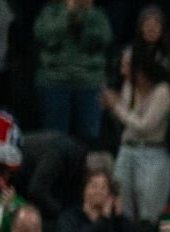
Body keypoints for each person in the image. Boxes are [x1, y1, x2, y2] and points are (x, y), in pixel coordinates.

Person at [106, 42, 170, 220]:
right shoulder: (128, 86)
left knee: (150, 215)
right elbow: (127, 121)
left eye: (126, 66)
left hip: (152, 153)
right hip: (127, 150)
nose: (122, 71)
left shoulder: (162, 91)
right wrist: (113, 107)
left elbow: (145, 126)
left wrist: (117, 107)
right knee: (122, 211)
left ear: (140, 67)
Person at [34, 0, 115, 141]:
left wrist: (88, 14)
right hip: (55, 82)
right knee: (54, 138)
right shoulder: (50, 12)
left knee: (89, 138)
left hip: (89, 82)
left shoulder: (97, 15)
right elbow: (43, 35)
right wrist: (68, 13)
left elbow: (103, 38)